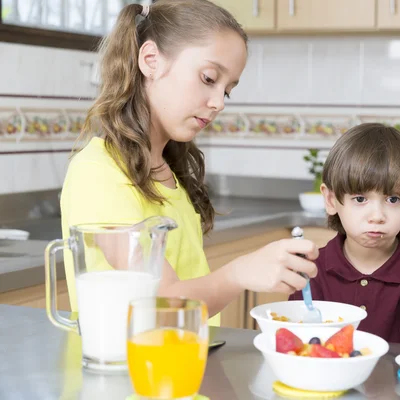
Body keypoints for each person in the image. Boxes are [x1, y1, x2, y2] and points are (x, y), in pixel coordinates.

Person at [60, 0, 318, 326]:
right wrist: (239, 272)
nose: (219, 103)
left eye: (228, 91)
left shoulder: (166, 171)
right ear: (150, 60)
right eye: (209, 78)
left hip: (181, 364)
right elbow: (161, 305)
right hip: (130, 372)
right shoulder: (99, 173)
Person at [290, 123, 400, 347]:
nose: (377, 216)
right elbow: (297, 341)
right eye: (360, 199)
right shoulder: (311, 270)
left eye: (392, 199)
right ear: (330, 200)